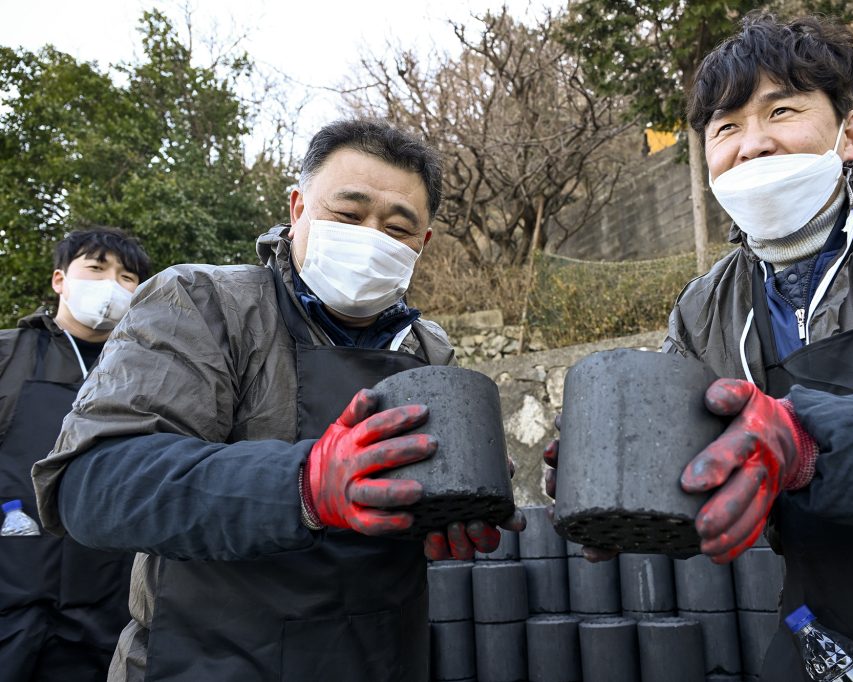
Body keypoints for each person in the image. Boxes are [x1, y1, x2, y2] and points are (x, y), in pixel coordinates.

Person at [545, 12, 853, 680]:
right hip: (827, 633)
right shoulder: (706, 310)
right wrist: (607, 471)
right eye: (726, 127)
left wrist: (804, 445)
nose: (754, 144)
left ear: (848, 133)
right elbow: (695, 477)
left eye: (783, 111)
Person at [32, 119, 523, 682]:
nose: (370, 237)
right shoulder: (203, 304)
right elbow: (94, 484)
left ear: (424, 243)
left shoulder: (427, 350)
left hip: (381, 657)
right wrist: (304, 484)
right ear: (297, 209)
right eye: (347, 214)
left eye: (397, 226)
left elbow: (412, 502)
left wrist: (449, 498)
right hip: (208, 661)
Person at [1, 228, 151, 681]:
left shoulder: (147, 371)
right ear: (59, 279)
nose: (112, 284)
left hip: (105, 603)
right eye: (97, 267)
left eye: (127, 276)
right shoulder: (9, 354)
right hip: (12, 593)